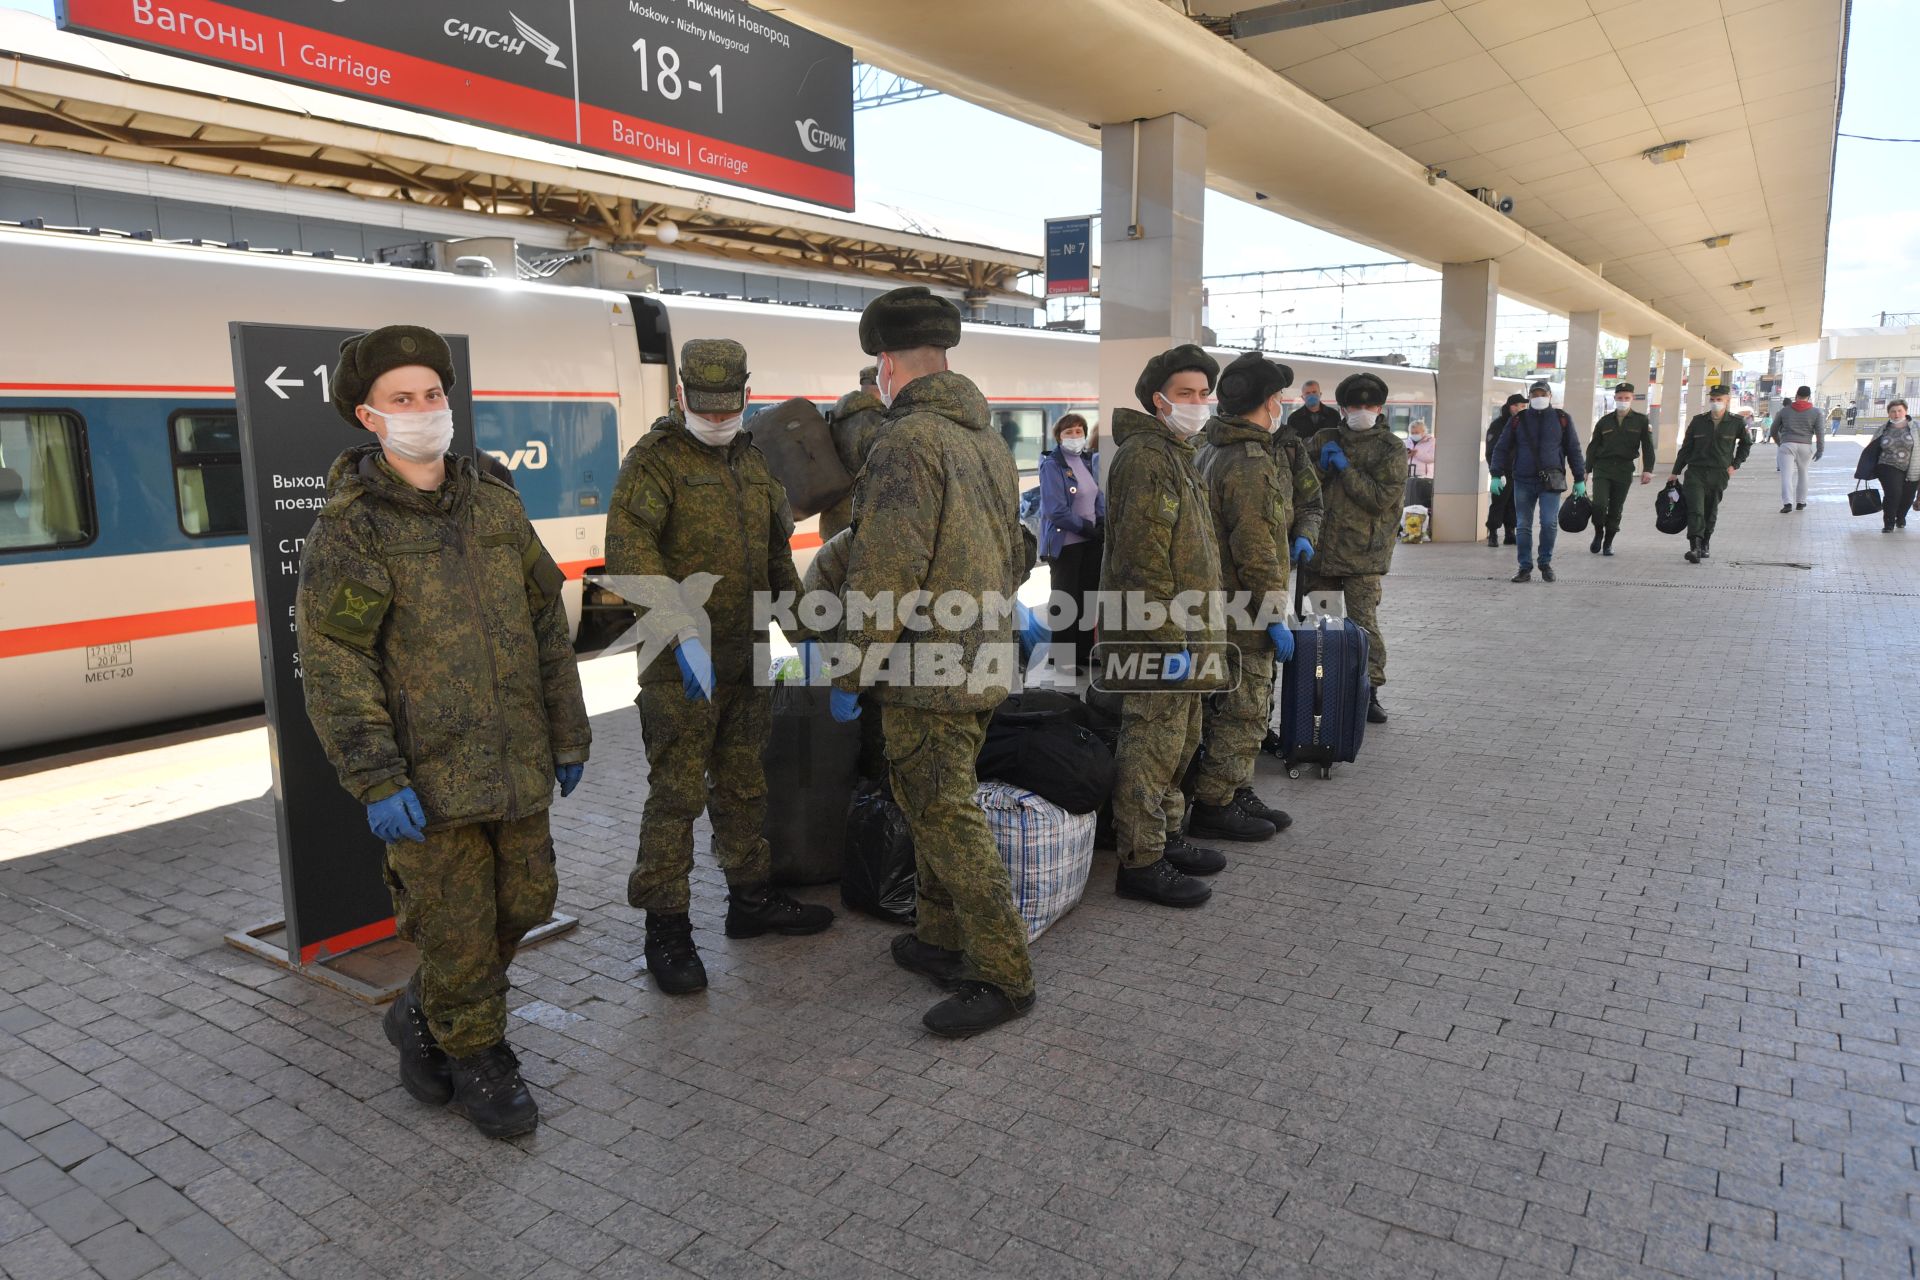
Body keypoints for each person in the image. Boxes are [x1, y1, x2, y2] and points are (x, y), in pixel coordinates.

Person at [298, 325, 591, 1139]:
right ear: (369, 416)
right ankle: (478, 1054)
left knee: (530, 899)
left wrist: (569, 733)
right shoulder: (354, 530)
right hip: (430, 778)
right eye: (404, 399)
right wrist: (377, 776)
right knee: (457, 927)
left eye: (433, 394)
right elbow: (338, 660)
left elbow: (545, 626)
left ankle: (422, 1012)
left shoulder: (497, 503)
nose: (425, 410)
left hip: (517, 763)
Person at [831, 286, 1035, 1037]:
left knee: (946, 815)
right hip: (982, 656)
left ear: (885, 364)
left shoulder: (908, 442)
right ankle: (941, 936)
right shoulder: (983, 438)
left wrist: (850, 670)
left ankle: (1003, 974)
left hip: (928, 671)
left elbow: (887, 570)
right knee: (931, 803)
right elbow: (1015, 549)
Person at [605, 339, 827, 998]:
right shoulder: (653, 464)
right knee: (676, 796)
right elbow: (626, 551)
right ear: (680, 398)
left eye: (728, 406)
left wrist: (806, 635)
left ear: (746, 395)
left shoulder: (755, 462)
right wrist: (678, 628)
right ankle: (666, 929)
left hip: (746, 654)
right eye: (704, 407)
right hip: (681, 665)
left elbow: (777, 559)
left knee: (742, 784)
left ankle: (750, 900)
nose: (717, 417)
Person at [1100, 344, 1230, 907]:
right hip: (1159, 634)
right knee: (1151, 744)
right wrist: (1163, 637)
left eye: (1204, 393)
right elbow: (1142, 559)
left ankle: (1167, 834)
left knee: (1181, 740)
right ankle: (1141, 859)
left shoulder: (1179, 453)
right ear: (1158, 400)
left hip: (1191, 633)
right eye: (1186, 394)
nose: (1198, 403)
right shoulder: (1146, 458)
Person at [1192, 351, 1320, 842]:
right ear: (1268, 402)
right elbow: (1257, 546)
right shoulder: (1249, 461)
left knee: (1226, 704)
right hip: (1243, 608)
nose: (1282, 407)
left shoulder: (1211, 447)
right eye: (1280, 400)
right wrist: (1274, 614)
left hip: (1215, 599)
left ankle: (1234, 787)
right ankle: (1217, 802)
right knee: (1245, 706)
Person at [1304, 372, 1404, 724]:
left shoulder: (1391, 448)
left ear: (1380, 408)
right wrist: (1321, 468)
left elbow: (1379, 499)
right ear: (1342, 408)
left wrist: (1344, 469)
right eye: (1355, 405)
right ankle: (1320, 687)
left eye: (1369, 405)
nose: (1362, 410)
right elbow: (1300, 489)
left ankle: (1369, 692)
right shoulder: (1322, 440)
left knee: (1364, 626)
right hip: (1321, 558)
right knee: (1322, 625)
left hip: (1365, 556)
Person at [1490, 380, 1586, 583]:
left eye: (1542, 394)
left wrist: (1579, 478)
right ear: (1530, 398)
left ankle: (1545, 563)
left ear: (1550, 396)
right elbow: (1501, 447)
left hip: (1551, 481)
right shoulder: (1518, 420)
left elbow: (1574, 449)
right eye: (1534, 395)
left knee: (1549, 523)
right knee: (1523, 525)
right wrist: (1496, 474)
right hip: (1523, 480)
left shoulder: (1562, 419)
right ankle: (1524, 567)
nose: (1538, 398)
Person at [1035, 413, 1104, 673]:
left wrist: (1102, 522)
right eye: (1069, 432)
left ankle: (1083, 652)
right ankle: (1062, 657)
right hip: (1066, 544)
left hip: (1089, 542)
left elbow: (1097, 496)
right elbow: (1056, 510)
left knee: (1087, 598)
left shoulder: (1085, 462)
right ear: (1058, 436)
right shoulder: (1052, 465)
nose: (1075, 436)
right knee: (1066, 600)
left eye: (1078, 431)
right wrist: (1087, 528)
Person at [1670, 383, 1751, 563]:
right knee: (1696, 509)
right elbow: (1686, 448)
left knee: (1710, 509)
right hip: (1696, 472)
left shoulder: (1736, 422)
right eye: (1712, 399)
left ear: (1727, 401)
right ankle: (1695, 547)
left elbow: (1746, 445)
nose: (1715, 403)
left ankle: (1705, 542)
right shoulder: (1698, 421)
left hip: (1719, 473)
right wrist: (1675, 472)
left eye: (1719, 400)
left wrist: (1734, 465)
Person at [1583, 382, 1654, 556]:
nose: (1623, 401)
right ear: (1615, 398)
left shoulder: (1641, 420)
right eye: (1620, 398)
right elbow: (1593, 447)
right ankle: (1599, 532)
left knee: (1616, 508)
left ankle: (1608, 542)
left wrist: (1648, 469)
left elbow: (1648, 447)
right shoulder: (1604, 421)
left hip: (1624, 469)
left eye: (1626, 398)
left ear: (1632, 398)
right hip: (1603, 468)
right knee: (1599, 504)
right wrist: (1586, 470)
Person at [816, 366, 886, 542]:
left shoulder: (837, 415)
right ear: (882, 384)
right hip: (858, 526)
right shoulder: (876, 421)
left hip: (831, 521)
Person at [1771, 384, 1825, 513]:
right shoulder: (1816, 412)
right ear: (1809, 397)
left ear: (1796, 395)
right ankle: (1801, 502)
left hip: (1787, 445)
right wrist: (1820, 449)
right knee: (1803, 473)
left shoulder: (1784, 411)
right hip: (1805, 446)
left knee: (1786, 475)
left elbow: (1773, 430)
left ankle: (1787, 503)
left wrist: (1780, 443)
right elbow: (1820, 432)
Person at [1870, 400, 1919, 531]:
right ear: (1888, 413)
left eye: (1899, 411)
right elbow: (1872, 447)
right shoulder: (1883, 428)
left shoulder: (1916, 428)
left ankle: (1901, 516)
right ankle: (1889, 523)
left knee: (1908, 497)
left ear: (1906, 411)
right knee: (1893, 493)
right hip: (1887, 465)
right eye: (1893, 411)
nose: (1896, 414)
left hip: (1912, 466)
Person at [1484, 394, 1524, 547]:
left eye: (1524, 406)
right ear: (1511, 406)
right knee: (1499, 502)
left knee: (1513, 503)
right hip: (1503, 471)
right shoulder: (1498, 425)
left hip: (1519, 471)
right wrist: (1496, 473)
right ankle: (1493, 533)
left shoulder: (1522, 423)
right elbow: (1491, 451)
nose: (1522, 409)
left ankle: (1510, 532)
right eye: (1520, 405)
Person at [1285, 379, 1341, 443]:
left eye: (1314, 392)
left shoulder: (1334, 415)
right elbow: (1290, 443)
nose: (1311, 395)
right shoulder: (1293, 418)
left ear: (1320, 394)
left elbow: (1339, 438)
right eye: (1307, 393)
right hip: (1303, 453)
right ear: (1302, 397)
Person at [1405, 419, 1435, 511]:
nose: (1414, 434)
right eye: (1412, 432)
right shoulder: (1407, 441)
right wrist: (1407, 455)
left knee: (1421, 504)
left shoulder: (1431, 442)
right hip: (1408, 478)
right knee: (1409, 503)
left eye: (1416, 432)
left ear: (1423, 431)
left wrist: (1416, 453)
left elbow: (1432, 458)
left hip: (1425, 479)